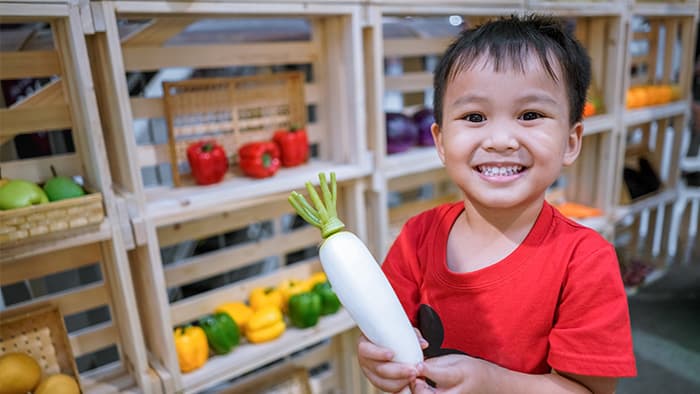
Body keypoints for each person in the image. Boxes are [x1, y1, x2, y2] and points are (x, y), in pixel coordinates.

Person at [358, 14, 637, 393]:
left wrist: (493, 383)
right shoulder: (417, 237)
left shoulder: (585, 261)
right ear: (440, 141)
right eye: (474, 116)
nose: (501, 139)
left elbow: (591, 391)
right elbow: (387, 333)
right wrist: (376, 361)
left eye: (530, 115)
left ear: (571, 142)